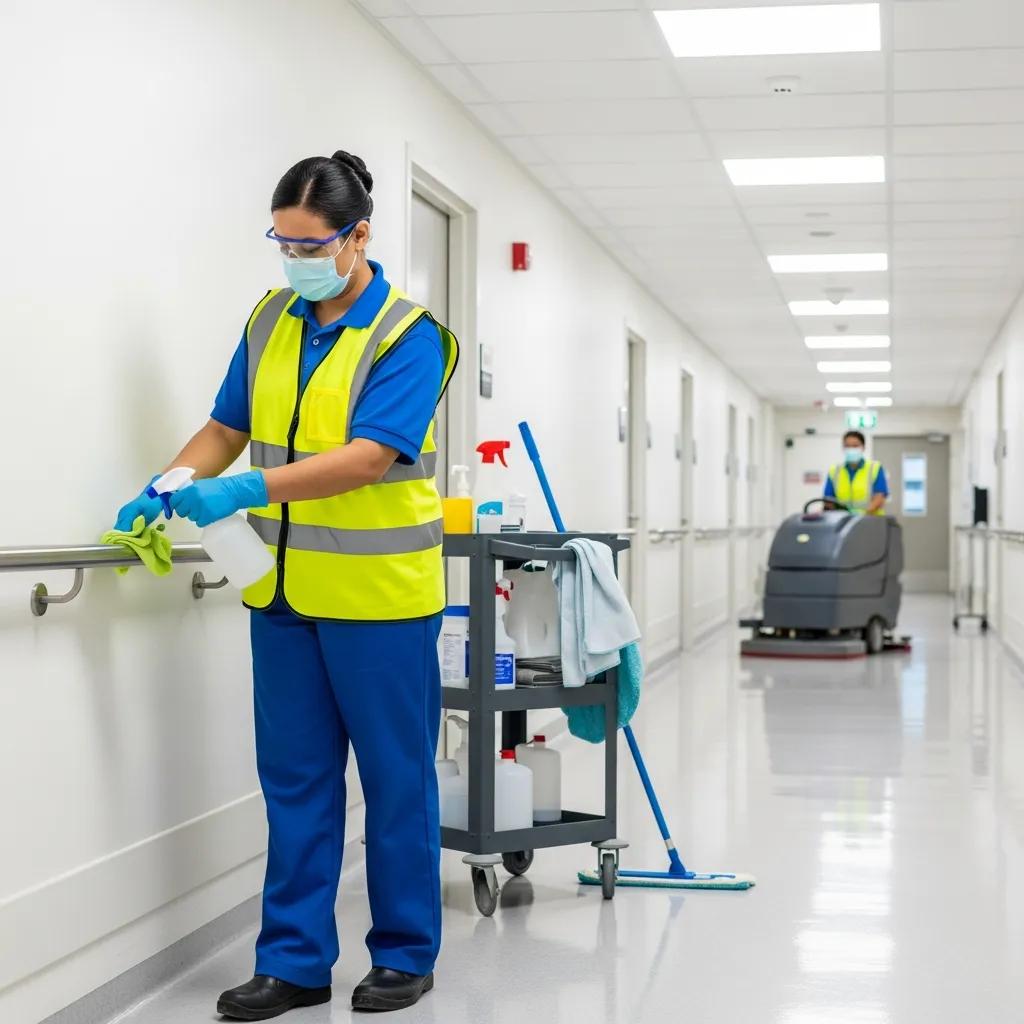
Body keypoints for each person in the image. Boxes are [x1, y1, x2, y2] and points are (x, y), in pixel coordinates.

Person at [114, 150, 458, 1019]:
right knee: (296, 781)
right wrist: (162, 488)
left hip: (380, 602)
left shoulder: (411, 335)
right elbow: (226, 426)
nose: (295, 259)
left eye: (312, 244)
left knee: (395, 779)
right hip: (281, 592)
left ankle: (405, 955)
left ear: (359, 236)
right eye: (283, 243)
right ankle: (295, 963)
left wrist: (242, 491)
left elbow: (369, 456)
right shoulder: (272, 317)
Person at [824, 430, 889, 515]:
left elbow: (879, 499)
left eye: (855, 446)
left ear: (863, 447)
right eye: (847, 446)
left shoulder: (874, 468)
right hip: (843, 522)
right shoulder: (834, 471)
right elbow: (828, 500)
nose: (851, 449)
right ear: (843, 448)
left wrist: (861, 515)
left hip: (870, 521)